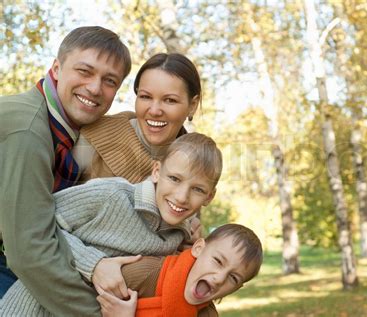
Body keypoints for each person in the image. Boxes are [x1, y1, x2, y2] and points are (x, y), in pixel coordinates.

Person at [0, 132, 223, 316]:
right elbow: (34, 226)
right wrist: (94, 264)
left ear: (209, 197)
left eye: (198, 189)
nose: (182, 196)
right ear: (156, 171)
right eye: (174, 179)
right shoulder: (110, 194)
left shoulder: (179, 239)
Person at [0, 26, 131, 316]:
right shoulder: (29, 132)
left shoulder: (68, 132)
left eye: (110, 81)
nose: (95, 88)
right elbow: (29, 252)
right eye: (85, 71)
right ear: (57, 68)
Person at [74, 52, 201, 183]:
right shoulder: (96, 135)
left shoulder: (196, 163)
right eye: (145, 97)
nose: (154, 111)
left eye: (169, 100)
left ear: (192, 106)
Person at [99, 223, 263, 317]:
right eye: (218, 261)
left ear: (235, 289)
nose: (220, 278)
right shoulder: (146, 272)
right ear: (198, 248)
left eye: (233, 278)